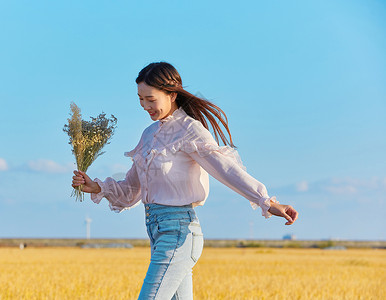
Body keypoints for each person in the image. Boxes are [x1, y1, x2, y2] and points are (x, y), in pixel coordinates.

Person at [71, 61, 298, 300]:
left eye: (150, 99)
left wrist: (266, 201)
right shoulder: (148, 135)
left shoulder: (190, 130)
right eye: (140, 99)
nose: (145, 106)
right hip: (157, 232)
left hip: (179, 232)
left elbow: (227, 170)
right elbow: (132, 189)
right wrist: (97, 187)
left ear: (171, 94)